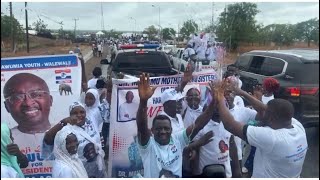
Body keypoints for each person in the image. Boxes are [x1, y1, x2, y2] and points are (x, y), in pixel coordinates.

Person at [210, 79, 308, 178]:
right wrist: (242, 93)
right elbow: (266, 109)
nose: (262, 112)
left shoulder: (273, 138)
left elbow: (229, 125)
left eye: (266, 113)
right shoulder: (298, 127)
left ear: (271, 118)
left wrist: (219, 94)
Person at [135, 73, 217, 178]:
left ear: (171, 129)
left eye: (166, 129)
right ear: (152, 130)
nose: (163, 131)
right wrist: (143, 101)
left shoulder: (177, 139)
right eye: (159, 129)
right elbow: (141, 126)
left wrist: (214, 101)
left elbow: (198, 125)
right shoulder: (148, 146)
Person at [3, 73, 53, 177]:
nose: (28, 103)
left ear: (50, 100)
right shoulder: (5, 141)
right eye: (17, 97)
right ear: (7, 106)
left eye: (36, 94)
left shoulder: (65, 134)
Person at [42, 102, 107, 177]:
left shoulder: (91, 123)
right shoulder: (67, 131)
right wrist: (63, 121)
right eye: (75, 113)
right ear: (70, 115)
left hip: (97, 166)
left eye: (82, 112)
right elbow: (48, 138)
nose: (79, 115)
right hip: (79, 168)